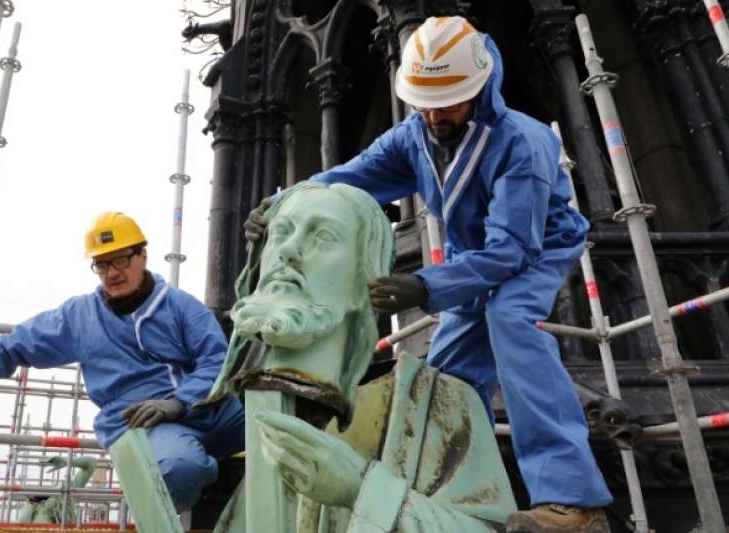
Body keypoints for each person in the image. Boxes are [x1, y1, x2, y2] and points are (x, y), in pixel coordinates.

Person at [245, 17, 612, 533]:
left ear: (480, 89)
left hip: (534, 249)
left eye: (450, 102)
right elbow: (349, 179)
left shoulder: (521, 144)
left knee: (508, 319)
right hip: (471, 253)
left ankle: (574, 502)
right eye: (425, 102)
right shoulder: (415, 135)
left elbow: (510, 254)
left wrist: (425, 287)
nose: (436, 115)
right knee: (442, 373)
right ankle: (460, 484)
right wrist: (286, 201)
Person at [201, 180, 518, 532]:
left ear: (363, 283)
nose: (288, 250)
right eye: (282, 232)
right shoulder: (245, 430)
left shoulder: (439, 404)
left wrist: (360, 490)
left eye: (322, 236)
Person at [0, 211, 246, 512]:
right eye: (101, 264)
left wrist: (180, 401)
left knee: (281, 416)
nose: (112, 273)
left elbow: (217, 360)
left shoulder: (179, 306)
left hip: (207, 407)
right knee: (179, 469)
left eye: (120, 259)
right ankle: (196, 491)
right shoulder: (80, 317)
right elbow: (15, 345)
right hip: (143, 423)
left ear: (143, 256)